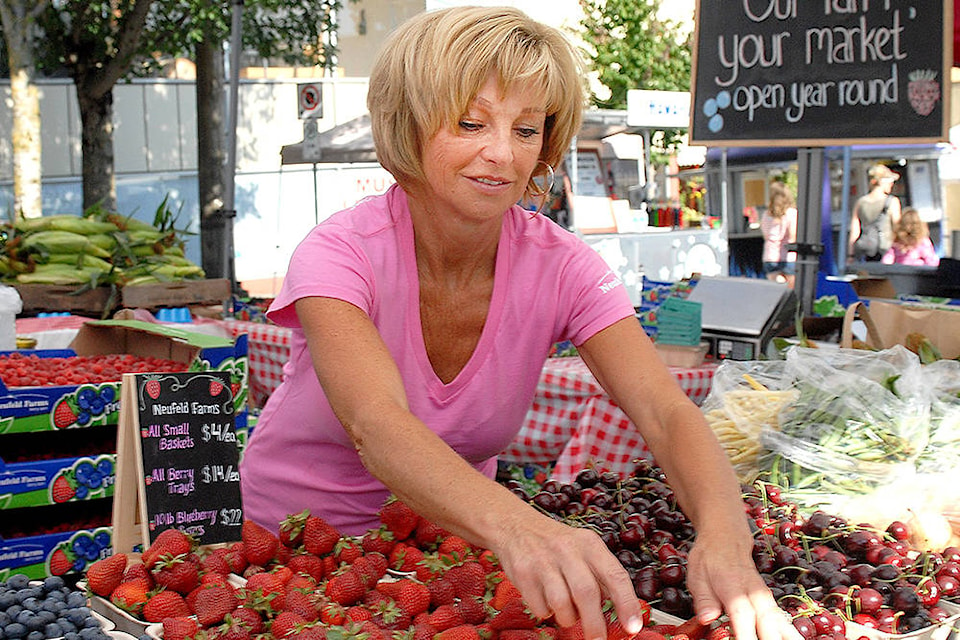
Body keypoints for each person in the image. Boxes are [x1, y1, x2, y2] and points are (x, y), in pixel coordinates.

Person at [239, 8, 800, 640]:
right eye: (470, 122)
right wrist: (521, 526)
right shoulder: (340, 252)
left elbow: (666, 412)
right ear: (408, 125)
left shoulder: (563, 267)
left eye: (527, 128)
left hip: (451, 558)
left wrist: (725, 536)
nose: (502, 153)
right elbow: (378, 426)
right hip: (290, 567)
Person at [848, 163, 902, 263]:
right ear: (881, 182)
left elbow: (854, 231)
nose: (892, 184)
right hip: (886, 250)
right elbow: (897, 227)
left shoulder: (860, 202)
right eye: (890, 182)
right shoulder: (892, 202)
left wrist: (850, 255)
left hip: (865, 250)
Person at [760, 181, 797, 288]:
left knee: (774, 292)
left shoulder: (766, 214)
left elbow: (766, 235)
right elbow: (792, 235)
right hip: (788, 256)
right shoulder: (791, 213)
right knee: (791, 292)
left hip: (770, 256)